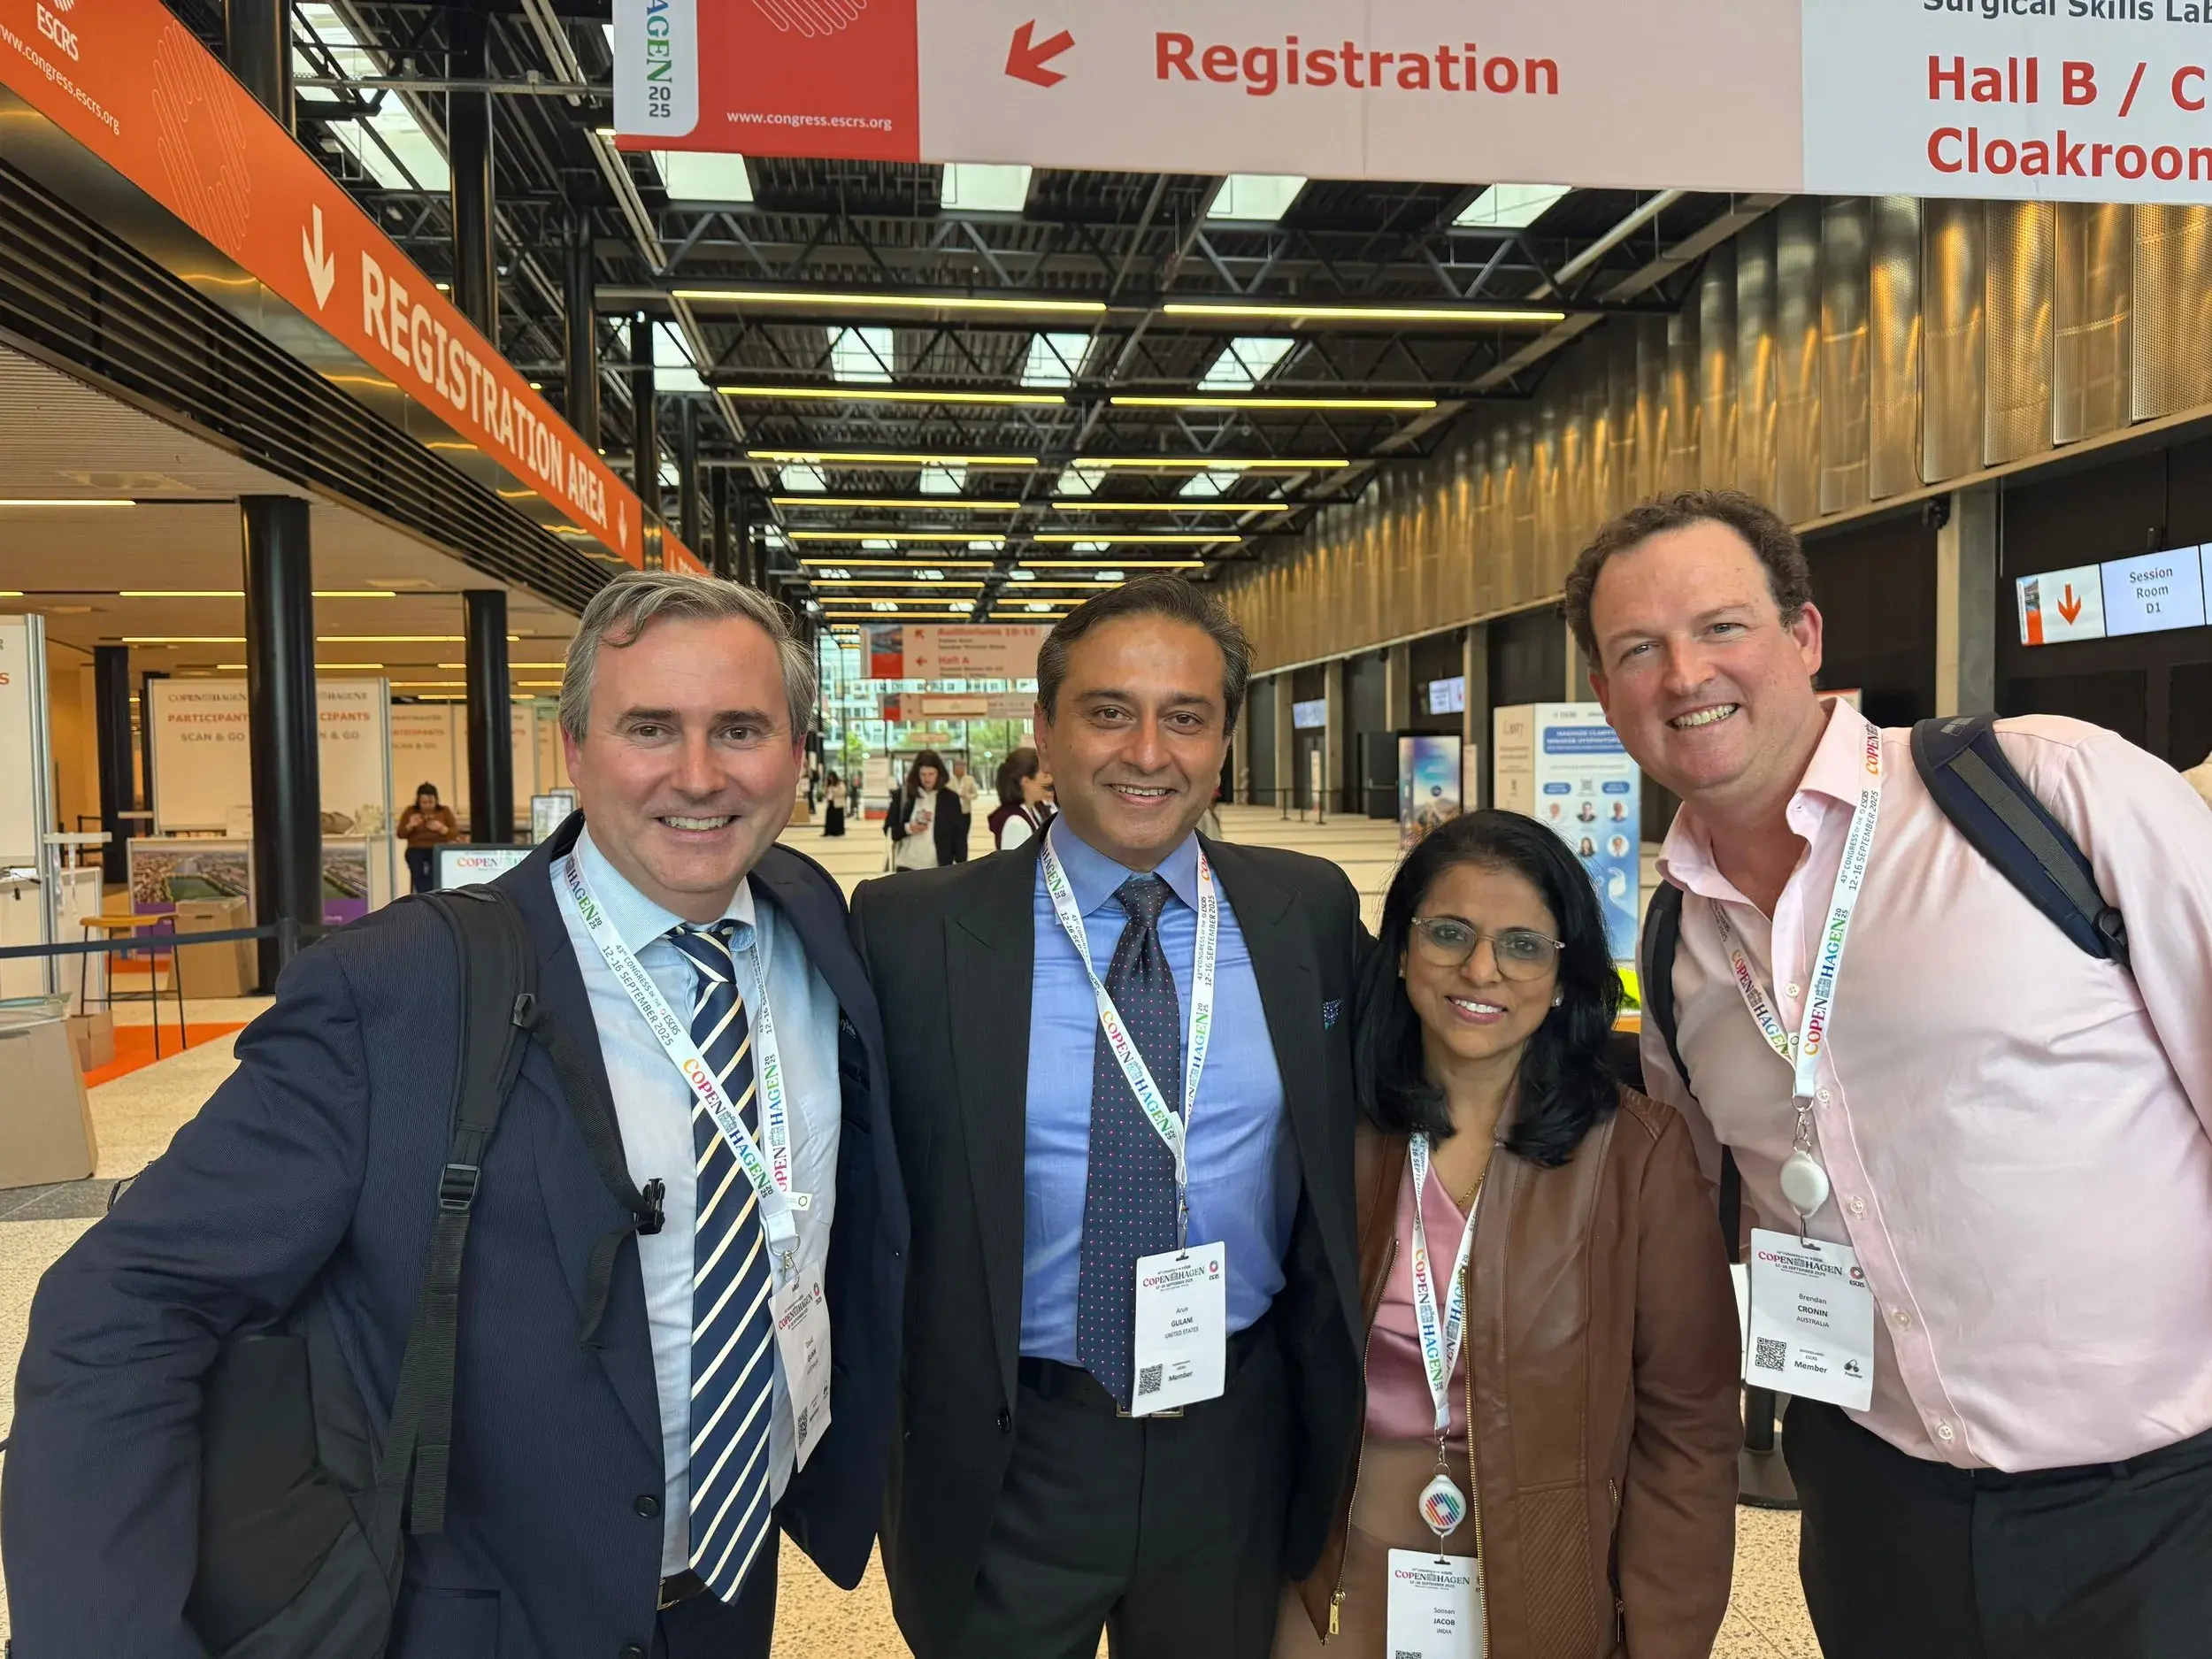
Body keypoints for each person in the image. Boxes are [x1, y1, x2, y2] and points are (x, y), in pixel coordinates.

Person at [3, 572, 908, 1659]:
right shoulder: (403, 988)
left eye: (742, 729)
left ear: (797, 753)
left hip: (727, 1587)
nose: (700, 775)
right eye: (651, 727)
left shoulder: (817, 931)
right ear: (574, 749)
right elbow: (123, 1313)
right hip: (475, 1614)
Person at [1564, 488, 2212, 1659]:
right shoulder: (1677, 945)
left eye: (1722, 626)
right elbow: (1697, 1220)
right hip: (1877, 1510)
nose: (1683, 673)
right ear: (1606, 695)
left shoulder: (2051, 795)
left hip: (2163, 1508)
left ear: (1805, 638)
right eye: (1636, 650)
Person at [852, 578, 1367, 1659]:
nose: (1148, 751)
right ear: (1043, 730)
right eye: (1107, 712)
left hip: (1235, 1437)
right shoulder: (913, 932)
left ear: (1223, 738)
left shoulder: (1305, 912)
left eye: (1185, 716)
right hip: (1012, 1443)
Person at [1279, 810, 1739, 1657]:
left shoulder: (1637, 1158)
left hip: (1539, 1596)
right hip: (1332, 1590)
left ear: (1565, 975)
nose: (1482, 968)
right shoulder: (1325, 1130)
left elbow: (1689, 1432)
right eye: (1449, 932)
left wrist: (1665, 1637)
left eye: (1524, 945)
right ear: (1405, 950)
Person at [885, 750, 963, 872]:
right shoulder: (903, 796)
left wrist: (962, 867)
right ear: (917, 774)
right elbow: (889, 831)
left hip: (939, 868)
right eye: (923, 774)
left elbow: (959, 836)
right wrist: (909, 828)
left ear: (939, 774)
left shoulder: (950, 799)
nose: (927, 779)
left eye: (931, 774)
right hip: (907, 865)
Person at [987, 745, 1055, 850]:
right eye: (1045, 776)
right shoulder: (1016, 822)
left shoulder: (1033, 809)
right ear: (1026, 782)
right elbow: (1013, 865)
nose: (1050, 780)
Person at [397, 780, 459, 892]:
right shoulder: (410, 811)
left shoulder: (444, 811)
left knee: (436, 869)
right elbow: (400, 834)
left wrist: (442, 829)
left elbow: (455, 833)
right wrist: (410, 825)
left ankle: (430, 894)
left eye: (431, 802)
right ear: (418, 801)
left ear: (436, 800)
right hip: (416, 848)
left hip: (438, 848)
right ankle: (425, 894)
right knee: (416, 865)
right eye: (424, 803)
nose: (427, 806)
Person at [951, 756, 980, 862]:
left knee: (963, 837)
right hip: (952, 814)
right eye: (958, 766)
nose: (961, 768)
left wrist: (966, 796)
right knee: (952, 836)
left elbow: (975, 795)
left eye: (963, 766)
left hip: (965, 813)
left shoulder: (969, 779)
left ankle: (962, 859)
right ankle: (952, 856)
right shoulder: (949, 780)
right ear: (954, 767)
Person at [823, 768, 849, 837]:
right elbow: (826, 792)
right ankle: (828, 831)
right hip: (831, 802)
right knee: (829, 817)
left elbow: (843, 792)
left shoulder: (840, 783)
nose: (830, 779)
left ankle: (838, 831)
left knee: (837, 817)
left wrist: (834, 791)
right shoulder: (829, 784)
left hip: (838, 802)